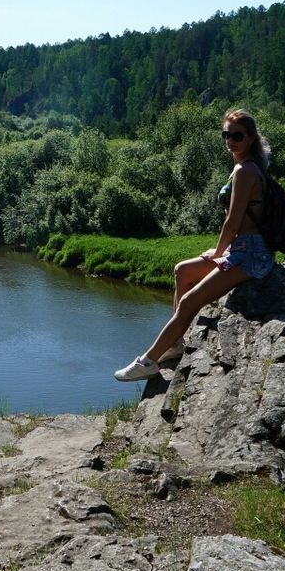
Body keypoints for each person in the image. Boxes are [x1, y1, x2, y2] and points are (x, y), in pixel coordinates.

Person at [114, 108, 275, 381]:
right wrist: (223, 251)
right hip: (241, 249)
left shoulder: (245, 171)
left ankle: (148, 362)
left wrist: (220, 252)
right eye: (226, 134)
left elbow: (233, 223)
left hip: (251, 255)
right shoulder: (245, 166)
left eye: (237, 135)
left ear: (250, 138)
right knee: (182, 270)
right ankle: (176, 343)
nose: (230, 141)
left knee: (190, 301)